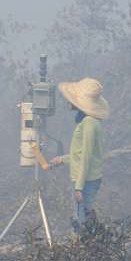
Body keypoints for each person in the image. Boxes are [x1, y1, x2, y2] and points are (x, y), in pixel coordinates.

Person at [49, 77, 109, 234]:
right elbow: (80, 153)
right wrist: (62, 159)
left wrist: (79, 187)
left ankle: (87, 251)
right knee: (83, 217)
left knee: (82, 221)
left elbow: (86, 156)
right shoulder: (89, 122)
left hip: (86, 181)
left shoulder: (89, 122)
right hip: (86, 179)